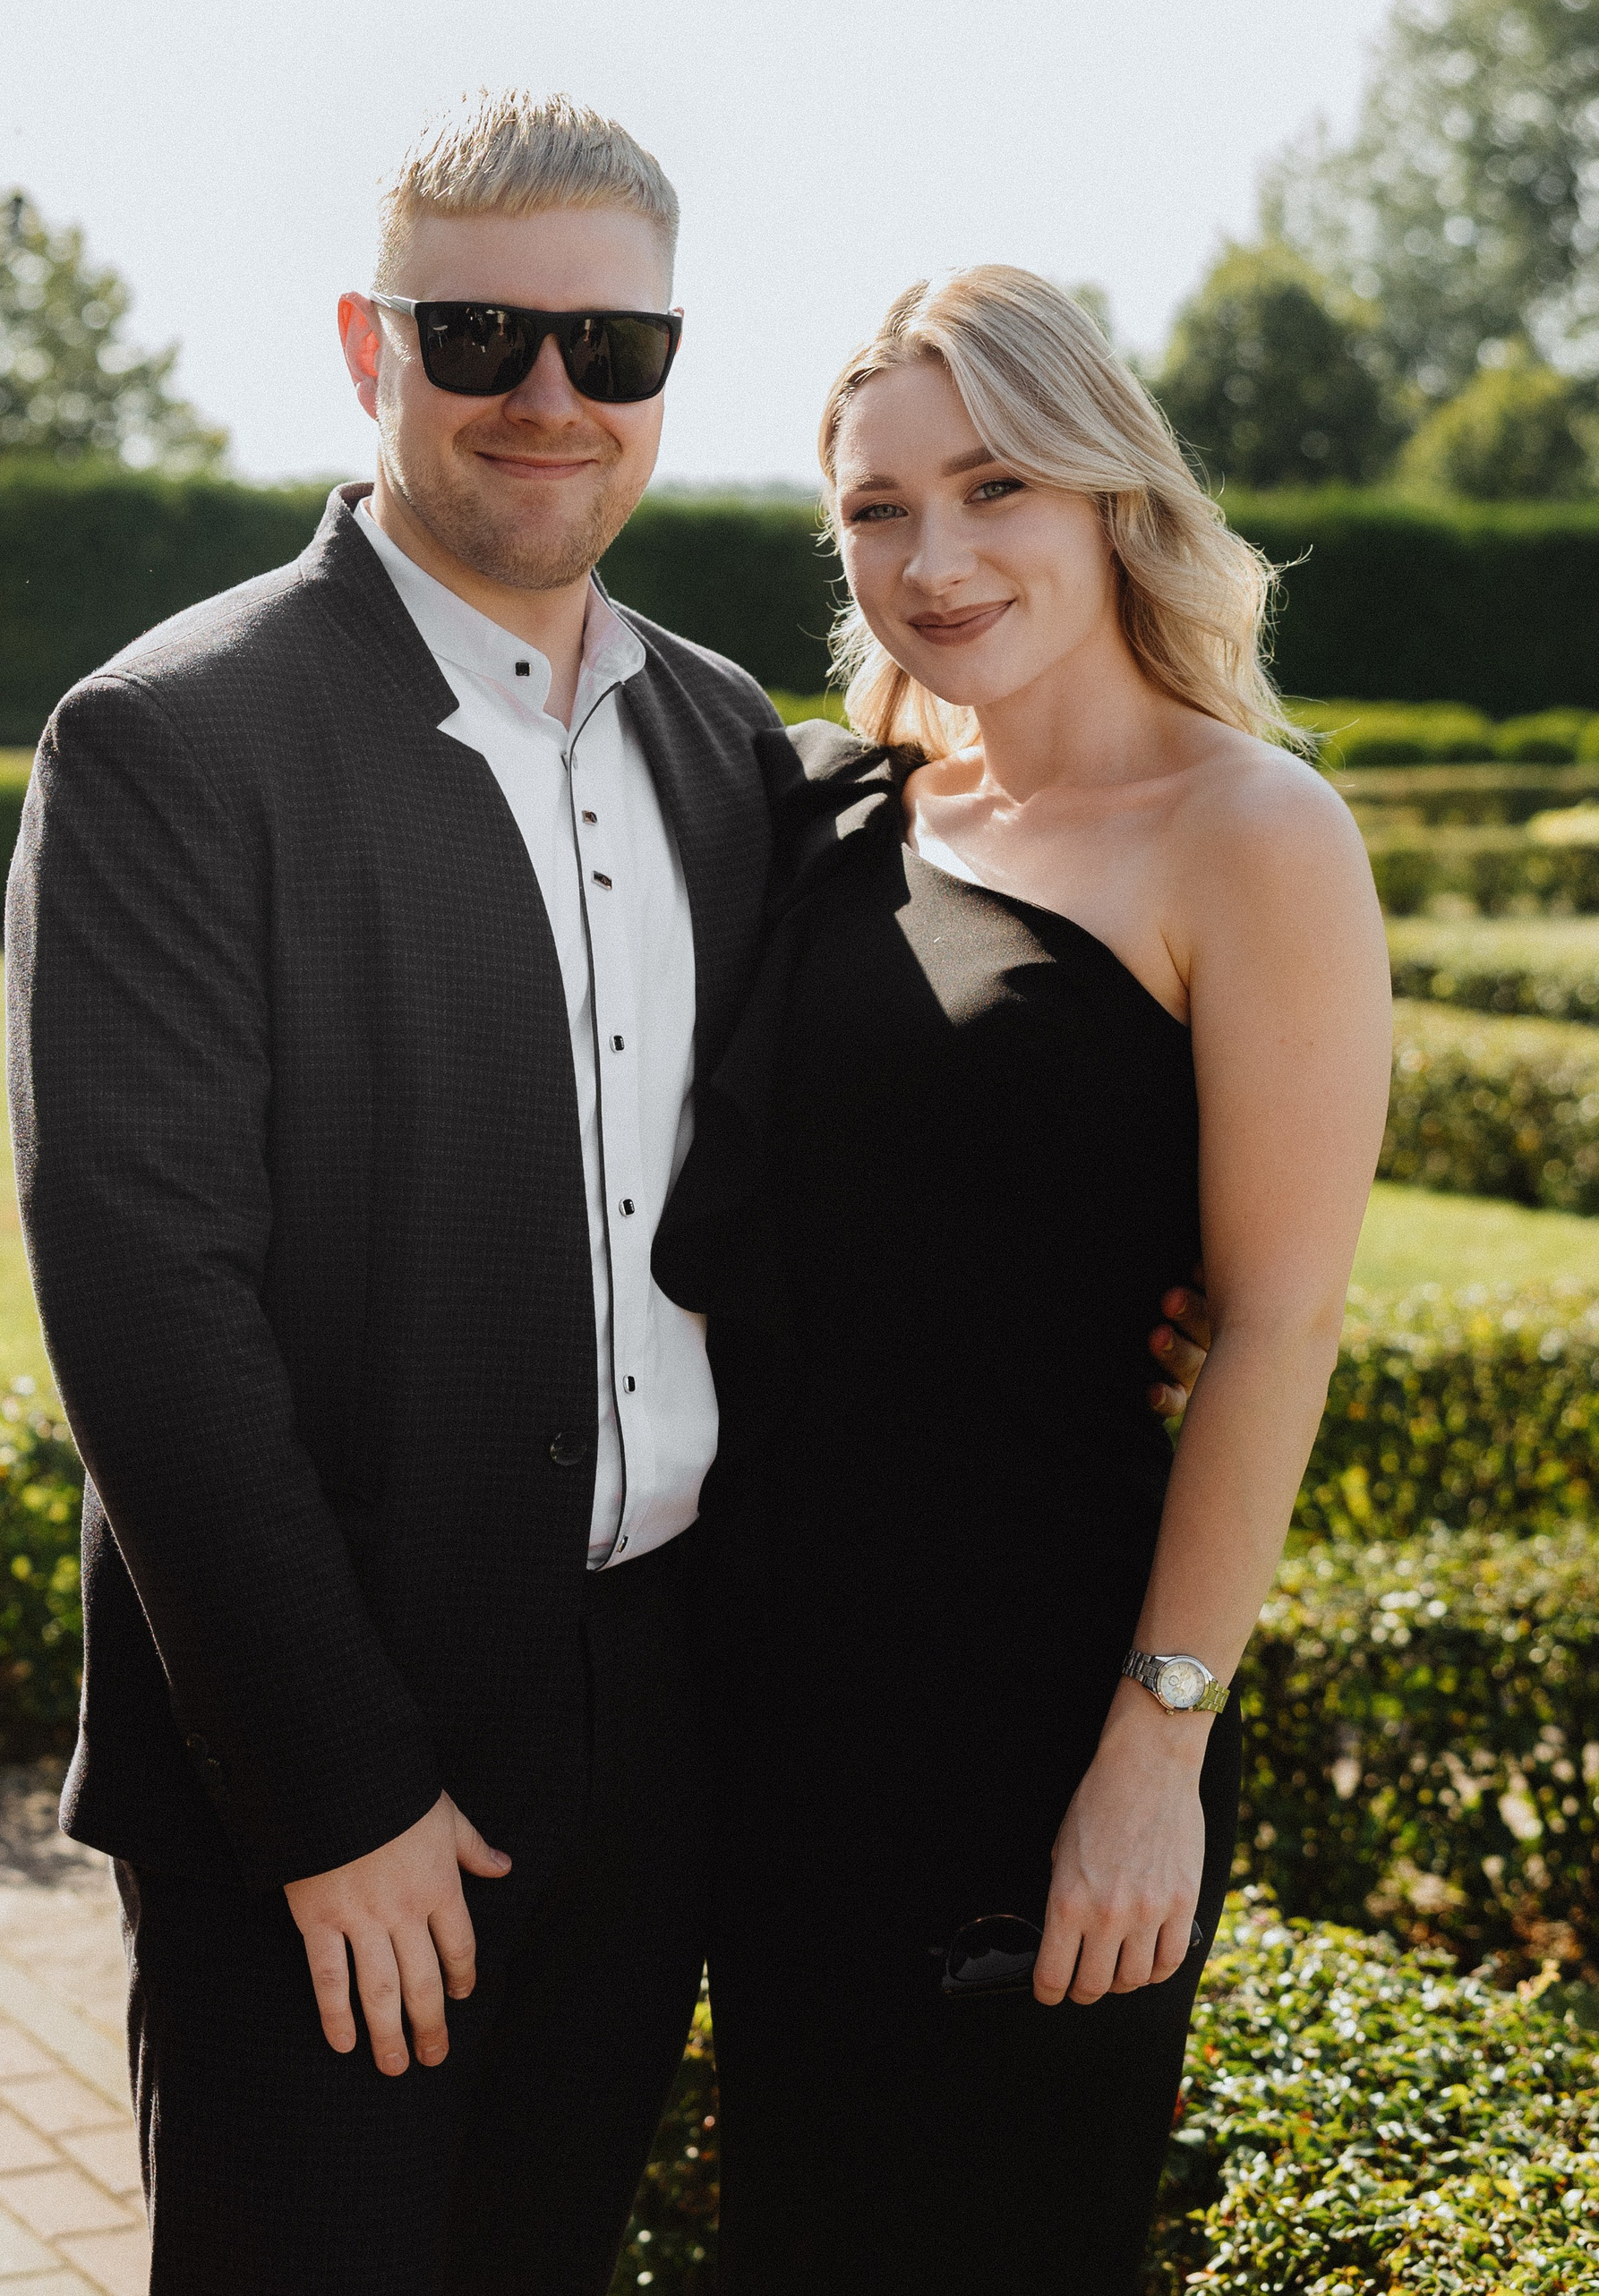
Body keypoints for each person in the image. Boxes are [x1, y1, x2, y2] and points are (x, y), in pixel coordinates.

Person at [6, 94, 1211, 2292]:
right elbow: (147, 1306)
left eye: (614, 346)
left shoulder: (732, 745)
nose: (548, 395)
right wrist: (334, 1791)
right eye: (479, 335)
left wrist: (1134, 1281)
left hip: (671, 1732)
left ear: (668, 369)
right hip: (334, 1762)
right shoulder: (171, 739)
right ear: (370, 346)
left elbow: (898, 1111)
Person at [654, 267, 1392, 2295]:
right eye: (877, 509)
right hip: (776, 1695)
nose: (937, 558)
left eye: (995, 487)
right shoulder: (835, 813)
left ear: (1108, 490)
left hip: (1051, 1708)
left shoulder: (1256, 833)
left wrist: (1154, 1756)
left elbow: (1277, 1319)